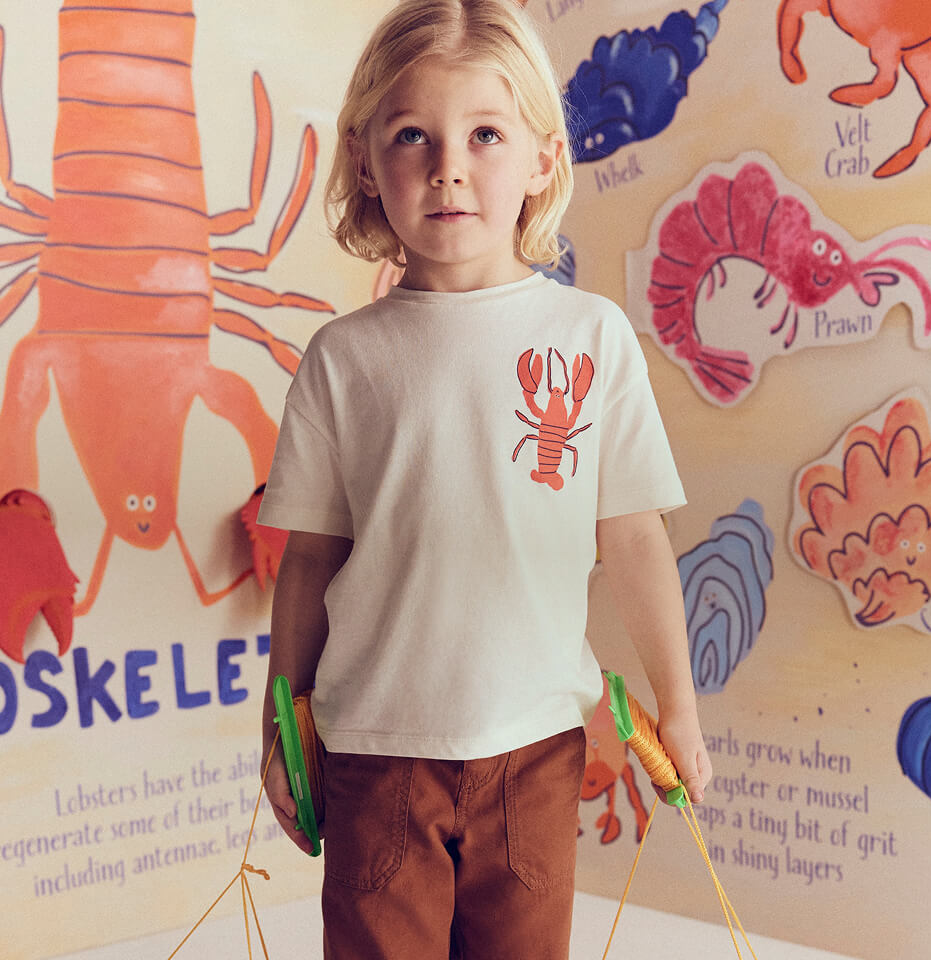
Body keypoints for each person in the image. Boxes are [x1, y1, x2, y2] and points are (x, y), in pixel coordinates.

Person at [258, 1, 712, 957]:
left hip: (537, 756)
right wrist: (284, 726)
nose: (448, 166)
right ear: (365, 160)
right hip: (374, 755)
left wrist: (679, 703)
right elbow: (308, 560)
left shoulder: (593, 339)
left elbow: (632, 540)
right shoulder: (342, 359)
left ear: (544, 158)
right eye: (412, 134)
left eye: (486, 133)